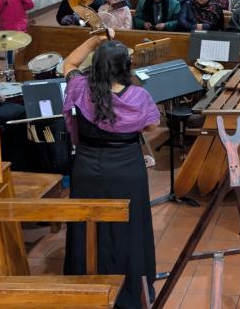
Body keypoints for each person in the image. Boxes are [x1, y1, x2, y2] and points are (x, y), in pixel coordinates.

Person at [62, 31, 161, 307]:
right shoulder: (139, 97)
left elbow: (68, 64)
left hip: (87, 167)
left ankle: (87, 287)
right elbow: (152, 126)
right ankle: (130, 289)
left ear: (95, 65)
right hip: (127, 169)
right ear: (125, 68)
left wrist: (95, 40)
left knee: (87, 225)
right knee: (129, 227)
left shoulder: (79, 87)